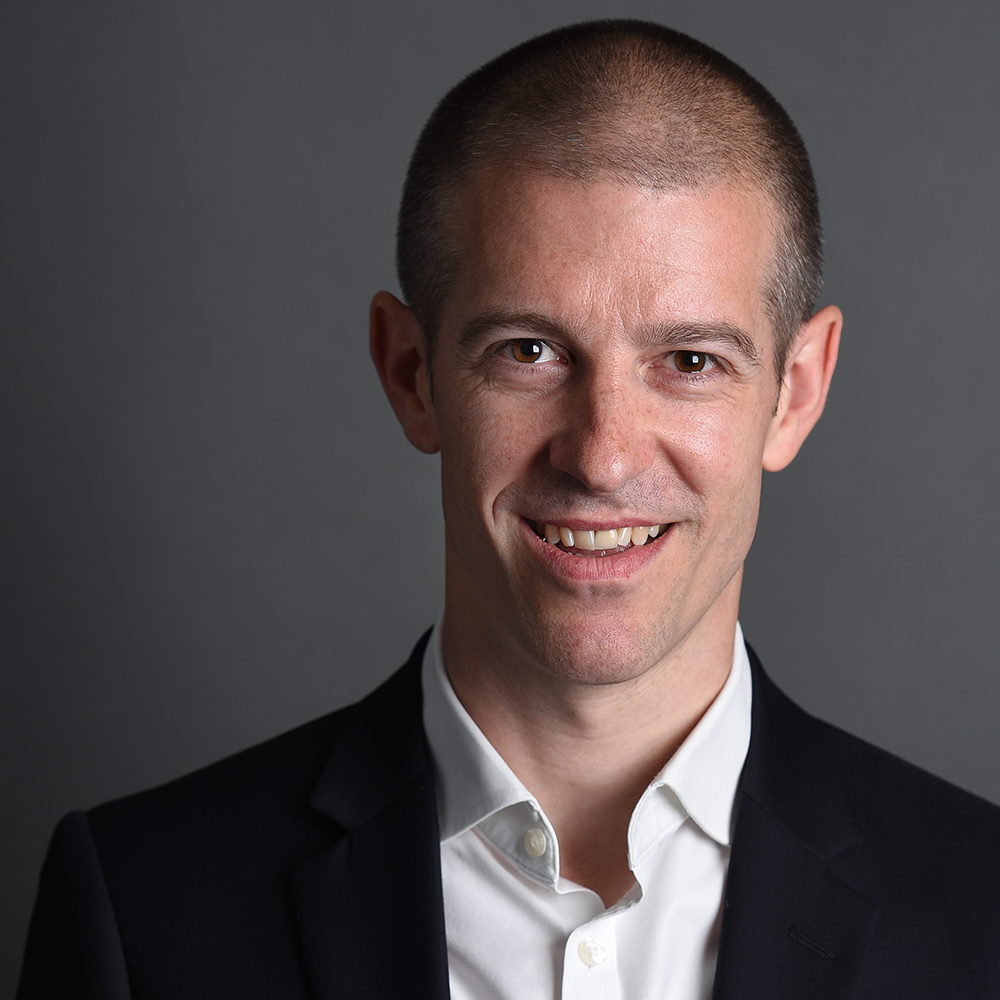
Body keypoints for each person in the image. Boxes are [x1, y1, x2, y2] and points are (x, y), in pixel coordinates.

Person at [18, 19, 1000, 1000]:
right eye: (529, 352)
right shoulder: (140, 912)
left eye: (690, 360)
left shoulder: (984, 908)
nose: (602, 456)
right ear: (410, 372)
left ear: (795, 392)